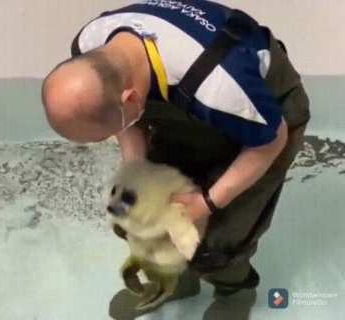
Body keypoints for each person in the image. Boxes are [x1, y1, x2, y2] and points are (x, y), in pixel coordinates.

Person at [41, 0, 310, 304]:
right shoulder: (89, 46)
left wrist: (207, 203)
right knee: (149, 219)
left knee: (218, 239)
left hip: (263, 120)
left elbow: (272, 140)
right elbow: (124, 119)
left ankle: (234, 293)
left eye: (102, 136)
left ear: (130, 99)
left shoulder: (220, 85)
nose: (104, 141)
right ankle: (177, 282)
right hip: (189, 105)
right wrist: (137, 169)